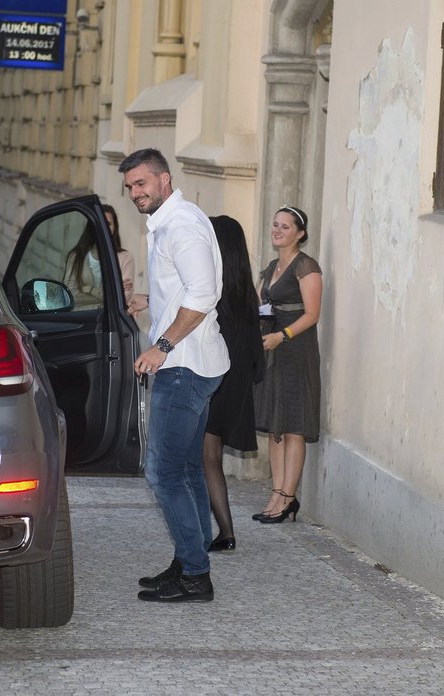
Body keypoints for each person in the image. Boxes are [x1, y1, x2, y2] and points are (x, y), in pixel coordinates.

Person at [120, 148, 229, 603]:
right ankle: (189, 561)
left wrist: (161, 346)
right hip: (195, 363)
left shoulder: (179, 225)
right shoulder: (174, 219)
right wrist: (154, 300)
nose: (134, 193)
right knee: (185, 469)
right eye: (128, 187)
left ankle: (195, 574)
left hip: (183, 367)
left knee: (162, 473)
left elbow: (204, 293)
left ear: (164, 179)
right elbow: (188, 287)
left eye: (141, 183)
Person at [251, 205, 322, 524]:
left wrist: (283, 335)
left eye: (285, 226)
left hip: (295, 350)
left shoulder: (307, 267)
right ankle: (276, 493)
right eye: (275, 225)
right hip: (271, 350)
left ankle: (288, 496)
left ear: (300, 233)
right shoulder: (270, 267)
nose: (277, 230)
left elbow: (312, 314)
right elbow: (256, 303)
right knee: (276, 429)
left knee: (293, 427)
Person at [203, 215, 265, 551]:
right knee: (208, 457)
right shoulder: (246, 297)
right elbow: (257, 359)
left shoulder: (213, 292)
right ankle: (223, 531)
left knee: (204, 457)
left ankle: (224, 532)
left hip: (212, 383)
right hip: (235, 387)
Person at [103, 204, 135, 301]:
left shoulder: (126, 258)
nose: (104, 227)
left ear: (114, 227)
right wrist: (115, 286)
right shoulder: (78, 255)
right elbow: (74, 293)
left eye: (108, 224)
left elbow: (124, 296)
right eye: (101, 223)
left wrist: (87, 289)